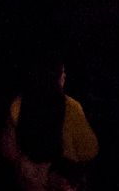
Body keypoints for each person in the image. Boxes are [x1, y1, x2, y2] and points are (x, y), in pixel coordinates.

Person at [6, 60, 99, 189]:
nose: (65, 76)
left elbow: (9, 149)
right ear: (55, 77)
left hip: (27, 181)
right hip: (61, 180)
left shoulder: (18, 103)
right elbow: (89, 150)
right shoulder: (71, 107)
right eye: (62, 72)